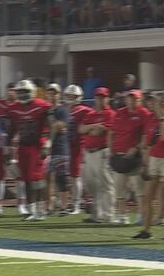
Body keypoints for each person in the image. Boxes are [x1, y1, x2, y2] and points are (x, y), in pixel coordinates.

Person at [5, 80, 52, 221]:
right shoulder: (13, 108)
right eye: (19, 92)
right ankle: (31, 210)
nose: (22, 94)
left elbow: (51, 127)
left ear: (32, 92)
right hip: (22, 147)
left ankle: (41, 209)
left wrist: (47, 145)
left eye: (25, 91)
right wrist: (7, 150)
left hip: (37, 147)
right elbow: (11, 130)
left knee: (37, 180)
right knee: (26, 180)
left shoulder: (42, 106)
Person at [109, 89, 151, 225]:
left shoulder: (144, 113)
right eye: (129, 98)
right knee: (119, 188)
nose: (131, 101)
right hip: (119, 155)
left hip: (135, 158)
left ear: (139, 100)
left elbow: (146, 135)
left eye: (134, 99)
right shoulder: (120, 113)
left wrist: (136, 148)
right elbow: (112, 132)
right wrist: (111, 150)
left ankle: (141, 215)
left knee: (139, 188)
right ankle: (122, 215)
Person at [0, 83, 24, 215]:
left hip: (15, 145)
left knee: (19, 174)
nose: (11, 92)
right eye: (9, 90)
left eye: (13, 90)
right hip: (0, 144)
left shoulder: (21, 106)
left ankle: (21, 204)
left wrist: (17, 138)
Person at [81, 87, 116, 223]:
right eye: (98, 97)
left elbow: (99, 132)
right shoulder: (90, 114)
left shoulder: (110, 114)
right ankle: (96, 214)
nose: (100, 100)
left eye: (102, 97)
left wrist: (90, 129)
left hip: (101, 151)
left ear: (107, 99)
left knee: (105, 184)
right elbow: (81, 129)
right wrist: (94, 126)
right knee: (90, 184)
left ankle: (108, 215)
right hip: (88, 152)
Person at [134, 93, 164, 238]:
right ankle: (145, 230)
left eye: (156, 102)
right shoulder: (151, 118)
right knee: (148, 196)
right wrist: (145, 162)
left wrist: (161, 116)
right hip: (154, 158)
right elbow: (149, 142)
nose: (152, 104)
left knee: (162, 196)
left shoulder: (159, 118)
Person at [64, 84, 92, 215]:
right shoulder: (65, 110)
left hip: (78, 146)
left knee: (76, 176)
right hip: (67, 146)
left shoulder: (84, 110)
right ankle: (74, 202)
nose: (70, 98)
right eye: (68, 96)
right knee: (72, 176)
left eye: (73, 96)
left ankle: (77, 203)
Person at [46, 84, 71, 216]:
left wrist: (52, 129)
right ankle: (49, 206)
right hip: (48, 149)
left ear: (59, 95)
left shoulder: (62, 110)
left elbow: (60, 125)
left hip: (60, 147)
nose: (52, 96)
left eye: (54, 93)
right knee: (48, 178)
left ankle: (64, 206)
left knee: (62, 178)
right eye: (50, 93)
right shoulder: (46, 110)